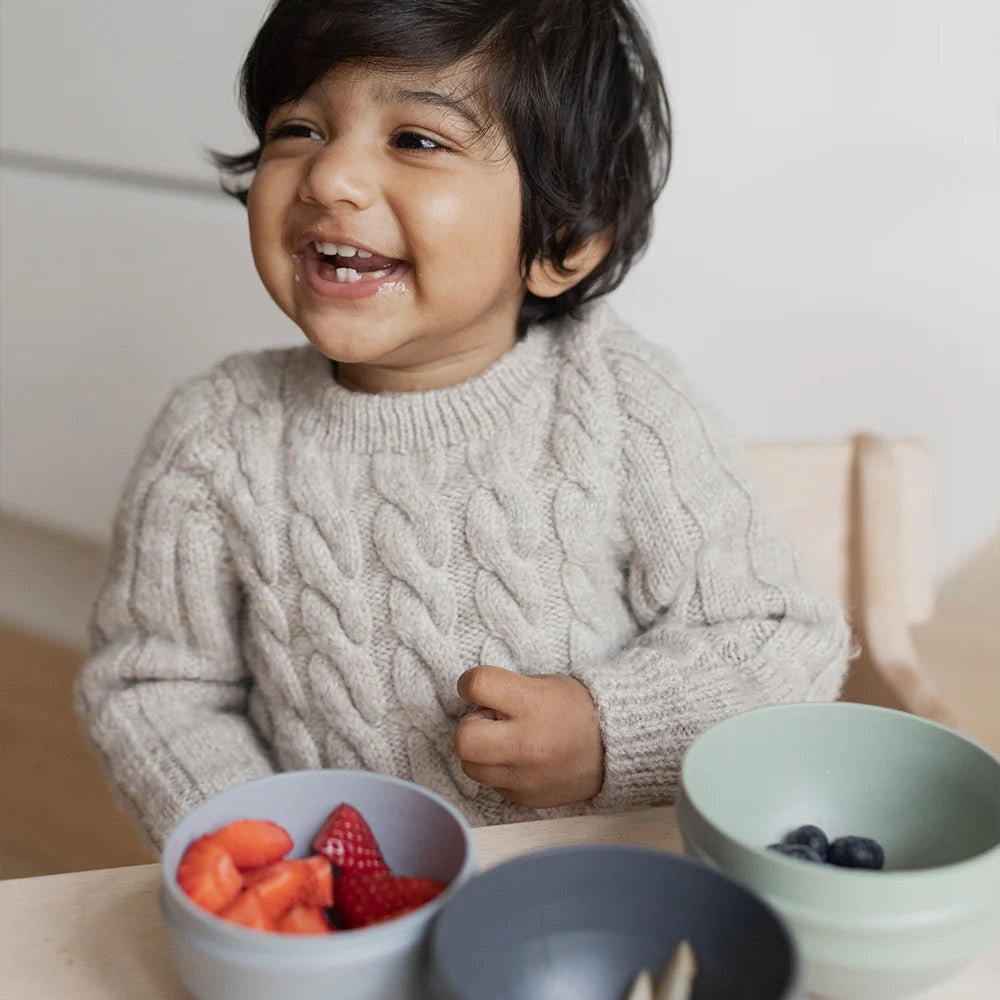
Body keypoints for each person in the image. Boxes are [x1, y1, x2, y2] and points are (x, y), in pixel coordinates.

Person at [75, 0, 850, 851]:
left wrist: (609, 731)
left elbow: (780, 643)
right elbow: (153, 686)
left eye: (415, 139)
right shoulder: (216, 434)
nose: (330, 177)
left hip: (604, 890)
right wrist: (271, 846)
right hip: (350, 923)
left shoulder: (620, 399)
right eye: (299, 128)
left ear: (565, 238)